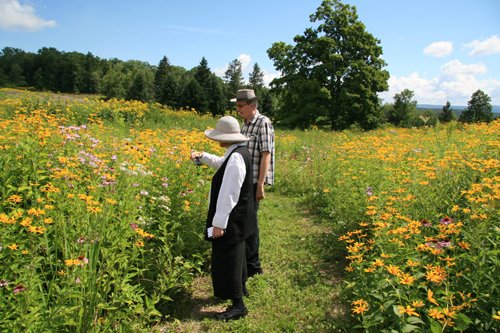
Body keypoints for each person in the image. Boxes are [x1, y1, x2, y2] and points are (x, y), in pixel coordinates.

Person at [190, 116, 256, 321]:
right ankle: (242, 289)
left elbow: (229, 193)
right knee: (239, 255)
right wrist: (203, 157)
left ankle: (238, 305)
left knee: (228, 258)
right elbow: (221, 163)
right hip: (242, 216)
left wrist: (219, 223)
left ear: (227, 137)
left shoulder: (236, 157)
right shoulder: (237, 151)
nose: (216, 140)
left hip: (232, 218)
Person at [231, 89, 275, 278]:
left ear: (253, 105)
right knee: (244, 220)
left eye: (241, 106)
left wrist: (260, 185)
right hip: (244, 179)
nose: (238, 109)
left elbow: (266, 154)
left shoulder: (263, 123)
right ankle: (247, 261)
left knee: (250, 223)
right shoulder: (245, 124)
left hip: (254, 180)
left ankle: (254, 266)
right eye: (237, 106)